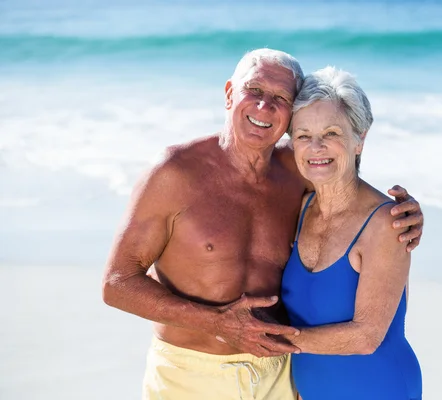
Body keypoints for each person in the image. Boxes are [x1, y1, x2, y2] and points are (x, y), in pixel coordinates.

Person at [102, 49, 424, 400]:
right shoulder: (174, 173)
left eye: (280, 98)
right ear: (229, 94)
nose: (264, 106)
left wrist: (404, 215)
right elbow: (117, 283)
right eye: (253, 90)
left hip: (280, 376)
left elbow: (350, 196)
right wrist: (216, 322)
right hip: (191, 374)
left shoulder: (298, 172)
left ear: (290, 115)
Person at [281, 66, 422, 400]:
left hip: (379, 388)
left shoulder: (388, 222)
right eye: (303, 135)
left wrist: (271, 340)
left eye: (331, 133)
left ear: (360, 138)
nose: (316, 147)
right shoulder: (299, 209)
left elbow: (366, 336)